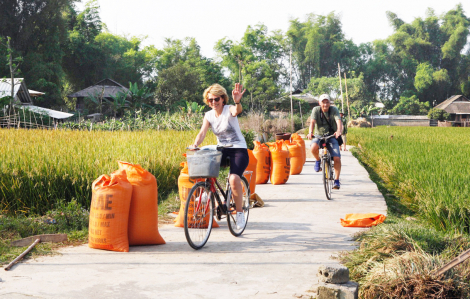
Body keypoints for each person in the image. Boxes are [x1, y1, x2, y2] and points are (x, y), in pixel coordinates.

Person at [191, 83, 248, 229]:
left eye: (216, 99)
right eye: (210, 100)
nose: (214, 102)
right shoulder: (209, 115)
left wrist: (237, 101)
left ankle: (240, 214)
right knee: (204, 161)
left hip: (238, 150)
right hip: (222, 149)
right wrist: (195, 144)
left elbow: (237, 111)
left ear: (223, 99)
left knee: (234, 178)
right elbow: (202, 132)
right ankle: (206, 189)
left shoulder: (229, 109)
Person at [307, 94, 343, 189]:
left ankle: (337, 180)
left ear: (330, 103)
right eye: (323, 102)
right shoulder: (316, 110)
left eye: (327, 102)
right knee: (313, 147)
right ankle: (318, 160)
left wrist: (338, 131)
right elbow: (313, 122)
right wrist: (310, 132)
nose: (325, 104)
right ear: (320, 103)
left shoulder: (334, 110)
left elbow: (338, 121)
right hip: (318, 135)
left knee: (337, 158)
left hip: (332, 135)